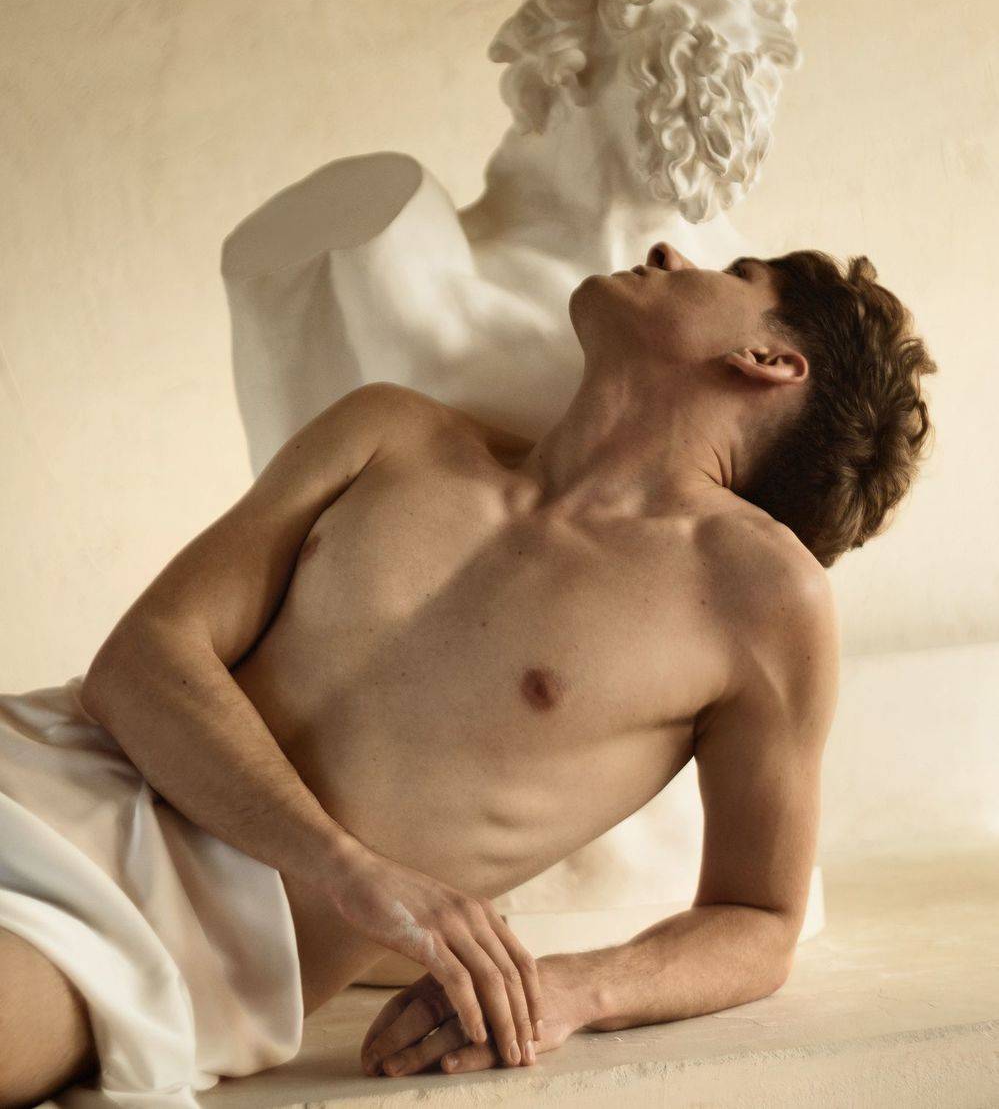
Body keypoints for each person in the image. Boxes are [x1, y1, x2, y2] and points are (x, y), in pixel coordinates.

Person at [0, 239, 936, 1102]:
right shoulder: (391, 431)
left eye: (733, 274)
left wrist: (564, 991)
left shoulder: (763, 598)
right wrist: (350, 872)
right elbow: (139, 661)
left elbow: (758, 918)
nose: (665, 251)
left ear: (768, 360)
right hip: (44, 764)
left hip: (169, 933)